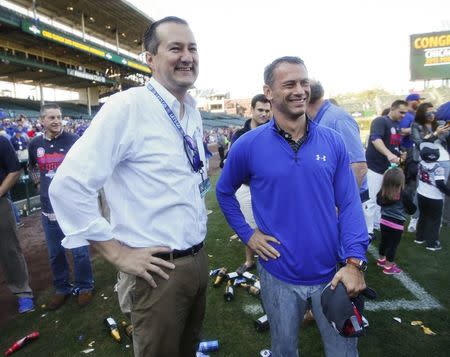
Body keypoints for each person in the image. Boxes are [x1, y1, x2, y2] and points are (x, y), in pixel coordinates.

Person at [49, 16, 208, 357]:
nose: (188, 57)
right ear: (150, 59)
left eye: (193, 48)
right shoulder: (127, 107)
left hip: (197, 259)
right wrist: (117, 254)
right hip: (157, 273)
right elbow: (68, 185)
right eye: (175, 48)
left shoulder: (191, 110)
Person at [216, 56, 368, 356]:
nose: (300, 90)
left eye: (304, 83)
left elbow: (349, 204)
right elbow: (224, 192)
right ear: (269, 92)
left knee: (344, 352)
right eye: (289, 84)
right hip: (277, 275)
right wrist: (248, 235)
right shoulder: (247, 144)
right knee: (284, 350)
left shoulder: (333, 141)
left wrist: (354, 262)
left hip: (332, 274)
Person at [28, 103, 94, 310]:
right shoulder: (35, 144)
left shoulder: (75, 141)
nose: (56, 121)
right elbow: (32, 167)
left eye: (59, 117)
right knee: (55, 252)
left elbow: (87, 167)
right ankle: (62, 288)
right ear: (42, 121)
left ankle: (84, 286)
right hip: (49, 210)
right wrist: (39, 183)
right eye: (51, 118)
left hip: (73, 207)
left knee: (79, 250)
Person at [307, 80, 368, 202]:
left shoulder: (337, 119)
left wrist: (341, 204)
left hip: (346, 203)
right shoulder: (317, 119)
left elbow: (359, 167)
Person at [231, 94, 272, 274]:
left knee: (271, 223)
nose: (264, 114)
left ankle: (271, 256)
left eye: (267, 111)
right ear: (252, 110)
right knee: (249, 226)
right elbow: (234, 162)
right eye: (260, 110)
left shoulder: (275, 132)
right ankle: (249, 260)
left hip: (269, 189)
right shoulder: (240, 135)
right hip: (246, 187)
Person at [0, 135, 34, 313]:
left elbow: (14, 170)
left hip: (0, 202)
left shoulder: (2, 141)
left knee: (9, 250)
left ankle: (23, 293)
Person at [364, 100, 408, 237]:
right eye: (401, 112)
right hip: (375, 167)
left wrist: (401, 154)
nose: (403, 116)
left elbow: (394, 145)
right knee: (370, 200)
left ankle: (376, 224)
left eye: (405, 113)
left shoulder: (397, 125)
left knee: (382, 199)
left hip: (388, 169)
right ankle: (368, 230)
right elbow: (375, 140)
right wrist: (389, 154)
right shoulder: (380, 121)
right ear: (393, 108)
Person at [408, 102, 450, 232]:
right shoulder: (416, 125)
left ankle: (435, 221)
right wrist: (435, 134)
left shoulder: (440, 123)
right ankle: (415, 218)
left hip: (443, 159)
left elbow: (445, 138)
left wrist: (444, 130)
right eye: (429, 113)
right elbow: (421, 144)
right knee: (421, 191)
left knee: (440, 191)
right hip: (425, 161)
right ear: (422, 113)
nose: (432, 115)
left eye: (434, 112)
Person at [375, 166, 416, 274]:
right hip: (396, 226)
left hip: (383, 222)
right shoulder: (403, 195)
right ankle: (388, 267)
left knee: (383, 242)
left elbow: (379, 202)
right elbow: (412, 210)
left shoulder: (382, 192)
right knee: (392, 246)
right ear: (401, 181)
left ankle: (381, 260)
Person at [414, 142, 450, 250]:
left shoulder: (420, 163)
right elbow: (440, 185)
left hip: (421, 194)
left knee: (423, 216)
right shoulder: (438, 168)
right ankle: (432, 244)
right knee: (434, 220)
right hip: (435, 198)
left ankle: (419, 238)